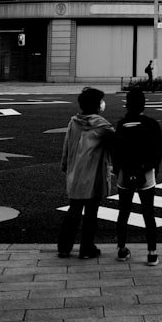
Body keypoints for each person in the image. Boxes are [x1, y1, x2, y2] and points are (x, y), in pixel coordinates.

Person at [58, 87, 114, 259]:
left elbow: (67, 145)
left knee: (74, 210)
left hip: (75, 174)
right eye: (101, 101)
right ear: (96, 105)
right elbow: (117, 142)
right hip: (93, 175)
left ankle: (64, 247)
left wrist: (65, 165)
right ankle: (86, 248)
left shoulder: (74, 122)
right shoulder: (102, 125)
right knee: (91, 213)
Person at [113, 87, 162, 266]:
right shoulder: (152, 125)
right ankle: (152, 253)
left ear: (127, 105)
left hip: (125, 173)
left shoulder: (121, 125)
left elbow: (116, 151)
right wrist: (151, 169)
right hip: (146, 173)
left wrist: (118, 170)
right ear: (143, 104)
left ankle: (121, 249)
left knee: (123, 212)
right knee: (148, 213)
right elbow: (157, 151)